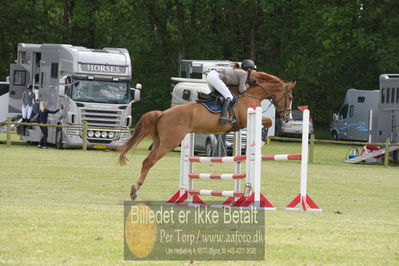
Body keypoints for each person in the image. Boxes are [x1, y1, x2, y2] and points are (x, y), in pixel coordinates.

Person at [206, 59, 256, 124]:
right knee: (229, 96)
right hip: (215, 77)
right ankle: (223, 117)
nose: (253, 72)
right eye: (253, 70)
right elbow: (241, 90)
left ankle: (211, 112)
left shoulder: (240, 71)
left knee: (217, 95)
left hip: (212, 75)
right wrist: (248, 85)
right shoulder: (244, 73)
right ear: (249, 69)